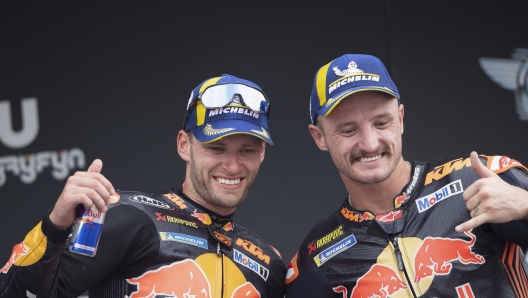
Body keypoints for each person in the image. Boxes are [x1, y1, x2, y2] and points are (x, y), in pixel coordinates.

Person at [0, 74, 286, 298]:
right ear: (184, 145)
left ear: (261, 153)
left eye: (247, 150)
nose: (233, 166)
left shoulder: (268, 264)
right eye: (217, 148)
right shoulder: (131, 219)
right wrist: (54, 226)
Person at [285, 54, 528, 297]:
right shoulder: (315, 259)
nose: (369, 144)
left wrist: (524, 205)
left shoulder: (476, 179)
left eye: (381, 123)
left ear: (400, 119)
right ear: (319, 137)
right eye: (348, 130)